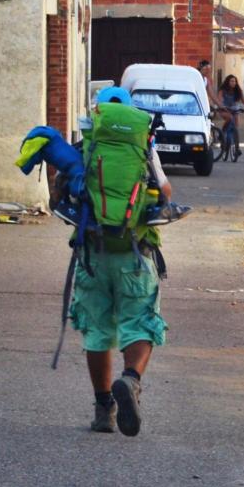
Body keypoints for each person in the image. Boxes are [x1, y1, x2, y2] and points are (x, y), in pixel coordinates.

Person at [71, 89, 171, 437]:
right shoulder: (143, 148)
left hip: (93, 257)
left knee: (97, 331)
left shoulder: (86, 146)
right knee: (141, 322)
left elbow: (63, 194)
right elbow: (166, 193)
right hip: (134, 254)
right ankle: (130, 380)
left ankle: (104, 410)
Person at [218, 74, 244, 159]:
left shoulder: (238, 90)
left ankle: (237, 148)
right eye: (232, 81)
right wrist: (221, 106)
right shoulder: (222, 90)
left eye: (235, 81)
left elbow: (243, 99)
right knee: (229, 118)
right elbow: (219, 99)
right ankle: (221, 134)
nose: (234, 83)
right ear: (228, 82)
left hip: (235, 109)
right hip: (224, 109)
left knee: (236, 127)